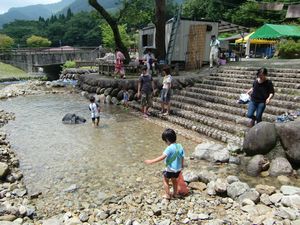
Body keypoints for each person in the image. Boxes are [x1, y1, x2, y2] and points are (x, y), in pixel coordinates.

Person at [145, 128, 185, 200]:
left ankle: (167, 195)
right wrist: (182, 165)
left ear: (167, 140)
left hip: (170, 169)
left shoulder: (169, 148)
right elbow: (182, 157)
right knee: (174, 181)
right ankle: (175, 194)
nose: (165, 143)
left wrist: (151, 161)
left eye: (165, 141)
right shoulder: (180, 146)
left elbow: (162, 157)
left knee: (165, 180)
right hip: (177, 169)